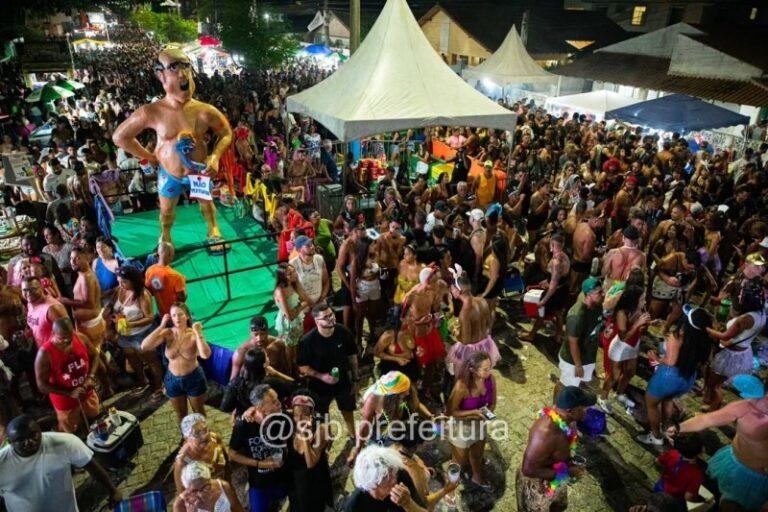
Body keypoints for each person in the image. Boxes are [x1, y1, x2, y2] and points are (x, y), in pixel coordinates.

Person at [113, 45, 233, 250]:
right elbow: (120, 137)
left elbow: (226, 134)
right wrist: (148, 156)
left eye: (186, 66)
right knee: (167, 211)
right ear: (161, 75)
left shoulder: (204, 110)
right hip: (170, 173)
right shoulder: (152, 111)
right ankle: (165, 236)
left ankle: (213, 229)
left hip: (198, 170)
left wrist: (215, 157)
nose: (183, 73)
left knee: (207, 204)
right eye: (174, 67)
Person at [667, 387, 768, 512]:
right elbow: (706, 419)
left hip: (755, 479)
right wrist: (678, 427)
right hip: (731, 460)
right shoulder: (747, 406)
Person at [0, 415, 122, 512]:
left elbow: (90, 465)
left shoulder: (65, 443)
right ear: (10, 442)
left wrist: (113, 490)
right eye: (21, 440)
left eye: (33, 435)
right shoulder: (2, 463)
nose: (29, 442)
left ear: (40, 431)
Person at [638, 306, 712, 446]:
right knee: (668, 400)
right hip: (686, 379)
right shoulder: (703, 339)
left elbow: (671, 362)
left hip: (668, 378)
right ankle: (667, 429)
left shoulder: (677, 336)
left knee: (651, 404)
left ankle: (656, 436)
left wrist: (656, 357)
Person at [516, 386, 595, 512]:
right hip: (538, 485)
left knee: (559, 507)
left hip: (557, 477)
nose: (587, 411)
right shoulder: (544, 434)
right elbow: (528, 469)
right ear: (572, 411)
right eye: (584, 407)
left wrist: (568, 466)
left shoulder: (568, 419)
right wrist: (568, 472)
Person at [142, 303, 211, 426]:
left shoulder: (193, 334)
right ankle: (185, 437)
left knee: (198, 412)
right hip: (172, 379)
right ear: (171, 318)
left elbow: (205, 355)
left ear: (187, 317)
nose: (177, 318)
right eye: (174, 315)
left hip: (193, 378)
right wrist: (161, 326)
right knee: (181, 414)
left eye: (180, 314)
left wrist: (198, 332)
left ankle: (203, 438)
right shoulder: (167, 333)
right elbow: (144, 346)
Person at [297, 302, 360, 439]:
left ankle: (353, 435)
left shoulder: (344, 332)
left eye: (331, 314)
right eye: (326, 317)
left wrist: (355, 379)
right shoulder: (308, 341)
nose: (331, 318)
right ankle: (328, 438)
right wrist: (322, 376)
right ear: (316, 321)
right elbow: (303, 367)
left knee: (347, 409)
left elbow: (352, 357)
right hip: (318, 386)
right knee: (322, 415)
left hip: (343, 380)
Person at [704, 279, 766, 411]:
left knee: (716, 386)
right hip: (744, 353)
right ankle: (708, 400)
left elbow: (724, 336)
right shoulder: (762, 314)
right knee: (716, 381)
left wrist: (707, 329)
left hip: (730, 356)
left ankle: (711, 412)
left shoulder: (745, 319)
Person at [228, 384, 291, 512]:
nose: (279, 404)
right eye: (274, 402)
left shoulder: (283, 418)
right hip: (259, 484)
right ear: (261, 408)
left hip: (283, 478)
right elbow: (232, 454)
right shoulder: (243, 425)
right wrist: (259, 464)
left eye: (277, 399)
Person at [349, 371, 433, 465]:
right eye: (403, 393)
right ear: (392, 396)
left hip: (402, 439)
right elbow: (364, 427)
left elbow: (416, 404)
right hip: (383, 441)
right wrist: (357, 450)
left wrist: (430, 416)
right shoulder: (373, 399)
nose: (408, 393)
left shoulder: (407, 392)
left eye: (408, 389)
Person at [34, 318, 101, 433]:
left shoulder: (80, 338)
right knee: (70, 429)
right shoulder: (45, 353)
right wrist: (69, 393)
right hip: (65, 400)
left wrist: (90, 377)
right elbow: (41, 386)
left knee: (94, 415)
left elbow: (95, 356)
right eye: (62, 338)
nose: (66, 341)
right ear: (53, 333)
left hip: (86, 391)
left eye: (69, 337)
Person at [107, 265, 163, 396]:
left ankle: (159, 386)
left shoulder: (143, 295)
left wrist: (129, 324)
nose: (121, 284)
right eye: (119, 281)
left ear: (133, 281)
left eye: (124, 282)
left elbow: (149, 318)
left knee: (151, 360)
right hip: (125, 335)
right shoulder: (119, 290)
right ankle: (142, 381)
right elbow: (112, 305)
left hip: (142, 334)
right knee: (132, 357)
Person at [447, 351, 497, 490]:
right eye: (485, 369)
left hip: (480, 424)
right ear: (473, 370)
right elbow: (451, 411)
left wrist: (489, 413)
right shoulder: (461, 387)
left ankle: (477, 477)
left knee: (477, 455)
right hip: (461, 428)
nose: (489, 371)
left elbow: (493, 402)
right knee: (457, 462)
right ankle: (449, 488)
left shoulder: (490, 379)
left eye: (490, 367)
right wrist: (473, 413)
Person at [598, 284, 651, 413]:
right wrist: (637, 324)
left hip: (634, 344)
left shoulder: (639, 309)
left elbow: (640, 329)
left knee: (630, 371)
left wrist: (647, 323)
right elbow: (623, 337)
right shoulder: (622, 313)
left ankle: (620, 394)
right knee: (614, 375)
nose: (645, 302)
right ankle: (603, 398)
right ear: (633, 300)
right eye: (642, 299)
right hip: (620, 346)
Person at [554, 276, 604, 400]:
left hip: (587, 356)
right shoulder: (576, 316)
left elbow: (597, 324)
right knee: (564, 384)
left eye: (602, 291)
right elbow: (573, 342)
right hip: (573, 361)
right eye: (599, 292)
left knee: (577, 383)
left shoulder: (597, 306)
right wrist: (578, 365)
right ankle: (555, 407)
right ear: (589, 294)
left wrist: (604, 330)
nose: (603, 294)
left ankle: (573, 402)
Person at [445, 273, 501, 380]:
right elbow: (489, 324)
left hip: (471, 351)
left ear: (458, 290)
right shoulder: (482, 301)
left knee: (468, 378)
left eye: (452, 288)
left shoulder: (465, 312)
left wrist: (455, 331)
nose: (451, 291)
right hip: (485, 344)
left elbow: (465, 340)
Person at [287, 390, 333, 512]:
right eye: (296, 415)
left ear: (312, 413)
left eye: (303, 415)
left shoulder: (321, 429)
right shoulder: (289, 423)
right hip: (296, 482)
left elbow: (310, 463)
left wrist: (304, 437)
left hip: (314, 482)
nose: (299, 419)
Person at [345, 444, 428, 512]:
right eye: (385, 478)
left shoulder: (401, 477)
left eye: (393, 471)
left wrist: (408, 503)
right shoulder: (355, 506)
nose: (394, 480)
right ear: (372, 485)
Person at [520, 234, 571, 344]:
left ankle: (532, 335)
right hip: (563, 289)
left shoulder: (555, 262)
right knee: (558, 313)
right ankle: (558, 336)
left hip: (554, 292)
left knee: (541, 313)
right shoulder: (565, 257)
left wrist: (543, 300)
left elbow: (553, 285)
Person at [221, 347, 295, 418]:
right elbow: (293, 386)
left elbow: (225, 407)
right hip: (268, 420)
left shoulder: (236, 383)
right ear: (264, 364)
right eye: (267, 357)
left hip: (245, 420)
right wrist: (276, 373)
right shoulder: (272, 383)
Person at [174, 413, 231, 494]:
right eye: (197, 434)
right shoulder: (183, 461)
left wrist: (230, 488)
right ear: (186, 438)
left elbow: (227, 467)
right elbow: (183, 494)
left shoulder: (215, 438)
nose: (204, 436)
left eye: (205, 430)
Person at [273, 262, 310, 376]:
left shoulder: (293, 284)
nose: (294, 274)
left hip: (297, 321)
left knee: (296, 348)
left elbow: (306, 300)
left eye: (293, 271)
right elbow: (289, 315)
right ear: (283, 277)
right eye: (290, 274)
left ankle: (296, 370)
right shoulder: (280, 291)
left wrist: (297, 308)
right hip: (288, 325)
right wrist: (300, 306)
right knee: (289, 352)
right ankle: (290, 373)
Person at [653, 433, 707, 508]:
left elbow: (657, 461)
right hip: (673, 499)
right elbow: (688, 497)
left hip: (660, 488)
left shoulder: (672, 454)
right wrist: (699, 500)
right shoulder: (696, 475)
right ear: (700, 452)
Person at [289, 235, 330, 333]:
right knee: (308, 333)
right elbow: (292, 288)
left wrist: (321, 298)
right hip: (305, 308)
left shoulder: (319, 259)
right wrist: (309, 302)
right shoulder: (293, 264)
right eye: (307, 246)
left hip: (320, 304)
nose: (312, 247)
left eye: (311, 244)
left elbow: (326, 281)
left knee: (325, 331)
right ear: (299, 249)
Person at [230, 316, 290, 381]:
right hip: (253, 388)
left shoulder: (278, 344)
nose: (259, 338)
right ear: (250, 333)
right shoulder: (241, 353)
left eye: (262, 334)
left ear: (267, 331)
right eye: (256, 335)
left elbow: (285, 368)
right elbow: (233, 382)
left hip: (276, 384)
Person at [374, 305, 420, 382]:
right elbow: (377, 352)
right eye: (410, 315)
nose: (414, 317)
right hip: (393, 370)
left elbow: (414, 347)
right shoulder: (389, 334)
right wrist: (397, 359)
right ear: (401, 318)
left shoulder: (412, 328)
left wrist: (417, 351)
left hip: (411, 366)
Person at [174, 461, 243, 512]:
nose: (201, 494)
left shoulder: (224, 487)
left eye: (205, 487)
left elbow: (238, 510)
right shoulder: (180, 505)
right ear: (187, 488)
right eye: (194, 490)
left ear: (209, 480)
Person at [144, 241, 188, 317]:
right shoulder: (177, 276)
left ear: (157, 253)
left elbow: (149, 292)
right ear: (172, 255)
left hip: (161, 313)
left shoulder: (149, 270)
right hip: (176, 314)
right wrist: (183, 282)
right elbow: (182, 299)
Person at [23, 276, 68, 349]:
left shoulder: (53, 308)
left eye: (33, 289)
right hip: (43, 353)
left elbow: (68, 336)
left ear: (41, 287)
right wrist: (28, 333)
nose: (28, 293)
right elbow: (38, 326)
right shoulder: (30, 304)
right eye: (25, 290)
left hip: (56, 353)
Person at [92, 236, 120, 303]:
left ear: (110, 248)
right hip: (99, 299)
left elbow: (122, 286)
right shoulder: (95, 262)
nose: (100, 250)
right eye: (98, 247)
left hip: (115, 299)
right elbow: (93, 281)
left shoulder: (116, 264)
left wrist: (106, 294)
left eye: (103, 247)